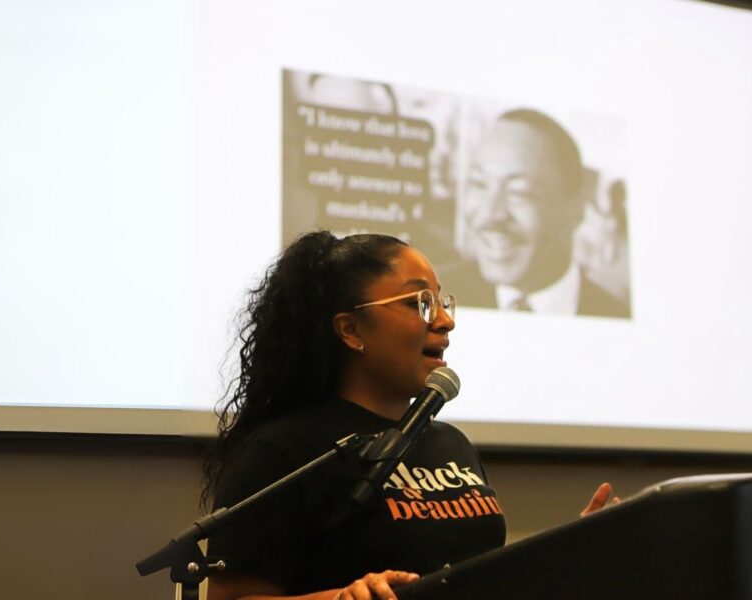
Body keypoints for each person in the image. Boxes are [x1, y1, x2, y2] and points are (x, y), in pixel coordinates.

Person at [202, 231, 617, 600]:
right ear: (351, 330)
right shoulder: (281, 452)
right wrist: (341, 598)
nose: (446, 320)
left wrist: (569, 549)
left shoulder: (450, 443)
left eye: (441, 301)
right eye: (420, 302)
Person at [446, 109, 630, 318]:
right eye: (479, 183)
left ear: (576, 209)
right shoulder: (430, 301)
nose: (490, 213)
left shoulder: (614, 316)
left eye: (519, 192)